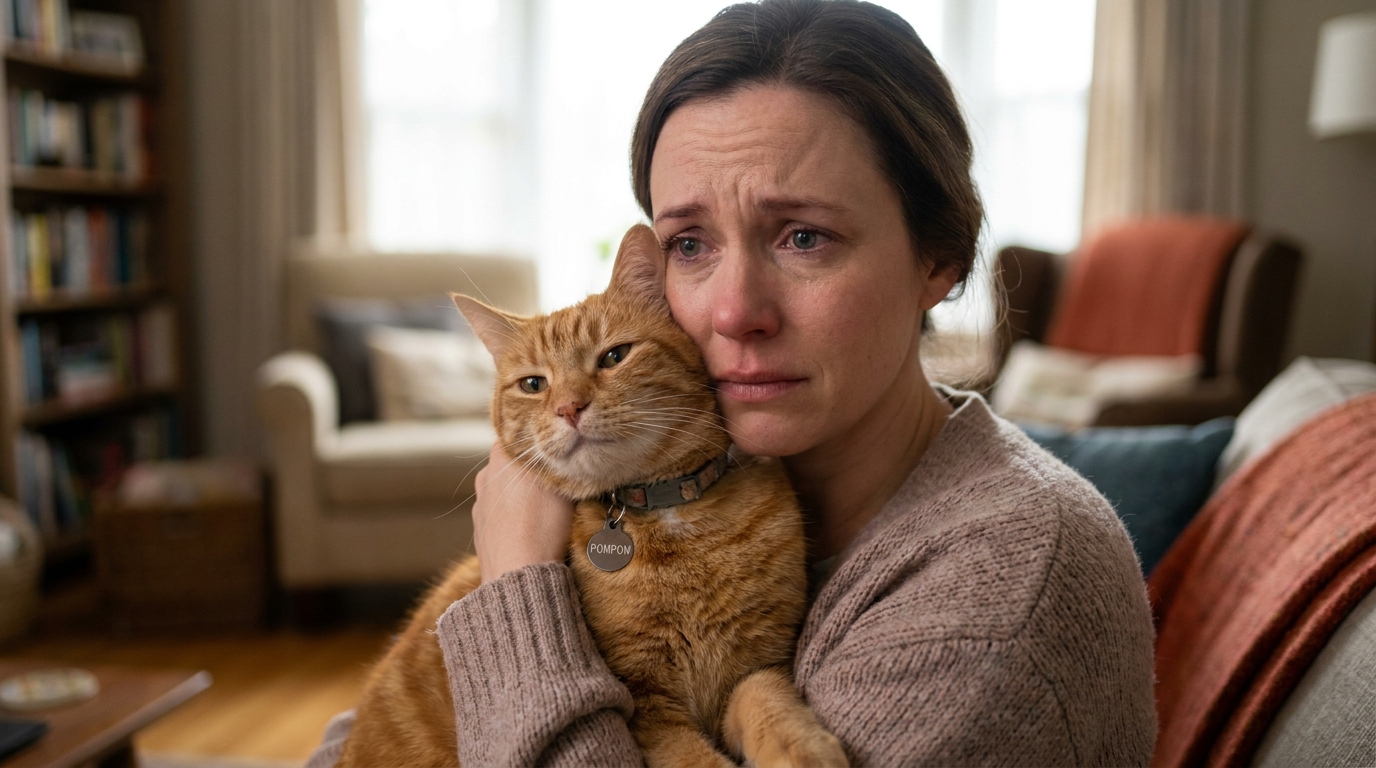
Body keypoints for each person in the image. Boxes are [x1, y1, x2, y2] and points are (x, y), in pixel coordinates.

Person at [308, 1, 1157, 765]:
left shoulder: (994, 598)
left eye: (803, 237)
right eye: (689, 245)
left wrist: (517, 600)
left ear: (939, 257)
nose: (733, 312)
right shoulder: (719, 486)